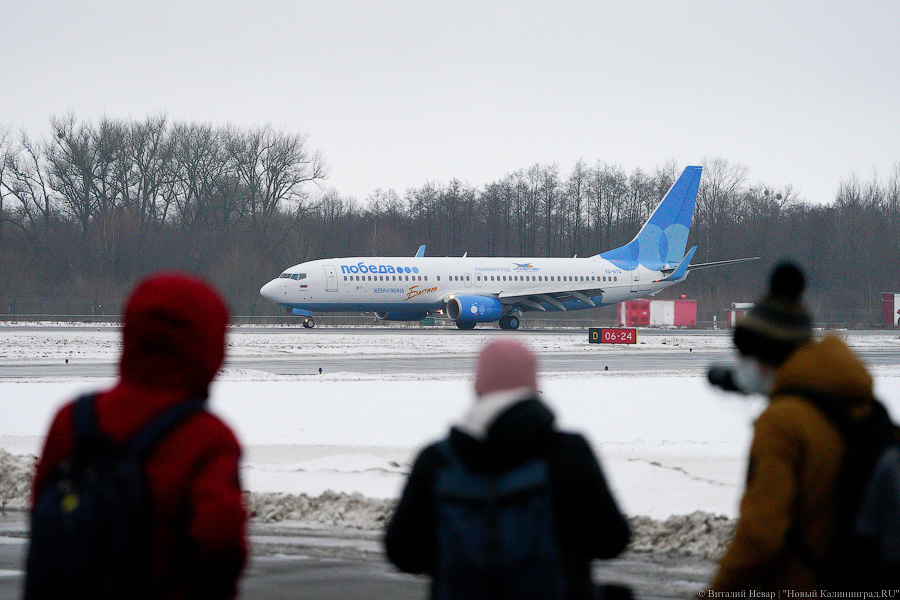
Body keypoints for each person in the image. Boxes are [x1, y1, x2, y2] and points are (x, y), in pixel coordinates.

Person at [27, 273, 247, 599]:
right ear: (209, 346)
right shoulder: (207, 437)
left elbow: (42, 508)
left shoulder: (73, 418)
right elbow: (220, 539)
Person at [385, 339, 630, 599]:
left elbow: (402, 553)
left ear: (477, 385)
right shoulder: (568, 452)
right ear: (534, 385)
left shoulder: (438, 459)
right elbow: (611, 541)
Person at [709, 262, 881, 591]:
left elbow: (759, 538)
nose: (741, 367)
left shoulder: (783, 421)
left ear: (764, 356)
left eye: (744, 357)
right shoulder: (850, 398)